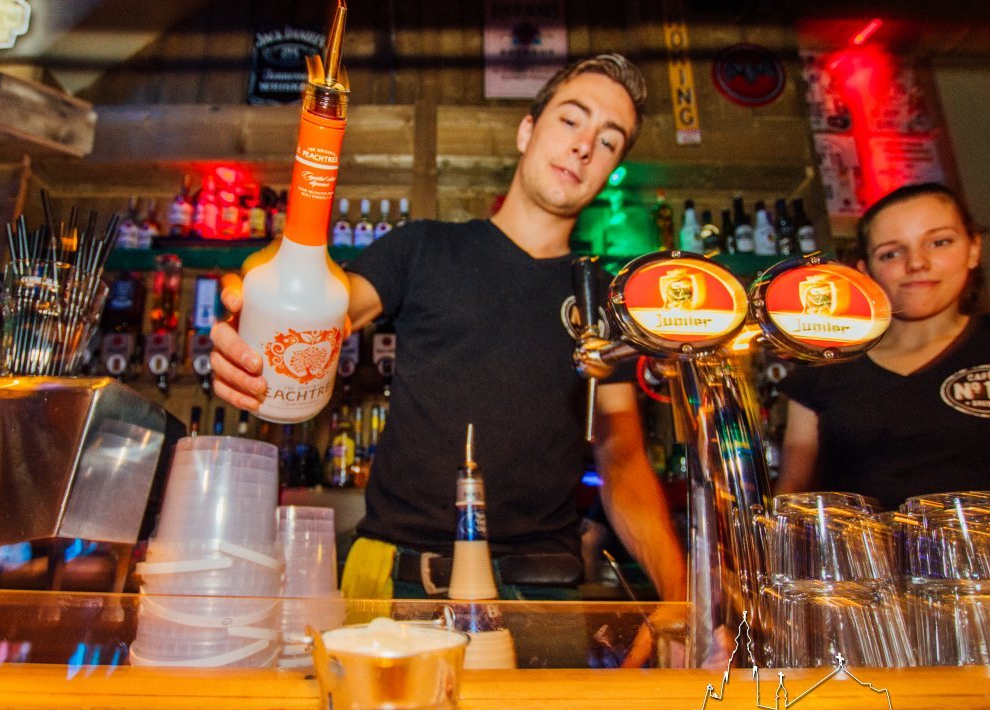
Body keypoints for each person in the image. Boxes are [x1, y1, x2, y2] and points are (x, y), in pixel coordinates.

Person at [210, 54, 686, 603]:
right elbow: (326, 311)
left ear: (611, 169)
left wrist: (680, 597)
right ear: (527, 130)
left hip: (540, 591)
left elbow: (622, 457)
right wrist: (256, 318)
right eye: (571, 120)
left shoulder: (603, 298)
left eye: (607, 141)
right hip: (399, 582)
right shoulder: (423, 248)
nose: (584, 146)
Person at [777, 182, 990, 508]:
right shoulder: (824, 365)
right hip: (865, 543)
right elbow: (793, 491)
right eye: (891, 253)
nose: (916, 263)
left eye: (939, 242)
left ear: (974, 249)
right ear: (865, 271)